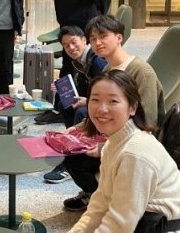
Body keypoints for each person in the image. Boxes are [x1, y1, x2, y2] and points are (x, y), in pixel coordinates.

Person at [68, 70, 180, 233]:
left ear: (133, 107)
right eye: (95, 100)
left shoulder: (134, 153)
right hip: (143, 223)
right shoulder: (112, 144)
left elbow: (119, 225)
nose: (102, 109)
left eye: (113, 101)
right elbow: (100, 204)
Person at [62, 14, 165, 212]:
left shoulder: (141, 72)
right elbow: (100, 111)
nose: (97, 42)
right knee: (71, 155)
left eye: (103, 36)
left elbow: (148, 123)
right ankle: (97, 195)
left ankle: (110, 202)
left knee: (78, 160)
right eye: (93, 39)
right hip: (113, 137)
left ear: (119, 37)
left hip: (138, 146)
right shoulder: (109, 69)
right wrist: (75, 130)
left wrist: (105, 148)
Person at [35, 0, 111, 125]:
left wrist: (98, 23)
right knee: (67, 71)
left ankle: (90, 108)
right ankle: (62, 108)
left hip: (87, 29)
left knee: (93, 67)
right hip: (68, 30)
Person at [40, 25, 107, 183]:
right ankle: (71, 146)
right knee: (65, 103)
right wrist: (64, 88)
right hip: (92, 100)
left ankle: (79, 156)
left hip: (103, 105)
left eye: (74, 42)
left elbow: (106, 92)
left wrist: (88, 101)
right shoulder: (80, 61)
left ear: (84, 40)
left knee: (81, 113)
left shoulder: (97, 61)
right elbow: (83, 88)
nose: (70, 47)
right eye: (65, 45)